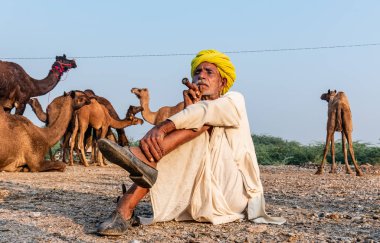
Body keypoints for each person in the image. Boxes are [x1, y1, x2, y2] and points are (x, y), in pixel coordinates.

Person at [97, 49, 286, 236]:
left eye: (209, 72)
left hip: (231, 194)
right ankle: (144, 166)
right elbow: (198, 113)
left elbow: (206, 112)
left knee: (202, 125)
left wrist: (161, 127)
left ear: (223, 82)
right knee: (196, 124)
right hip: (196, 197)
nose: (201, 76)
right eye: (197, 72)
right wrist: (189, 108)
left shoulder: (234, 100)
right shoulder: (195, 109)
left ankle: (127, 203)